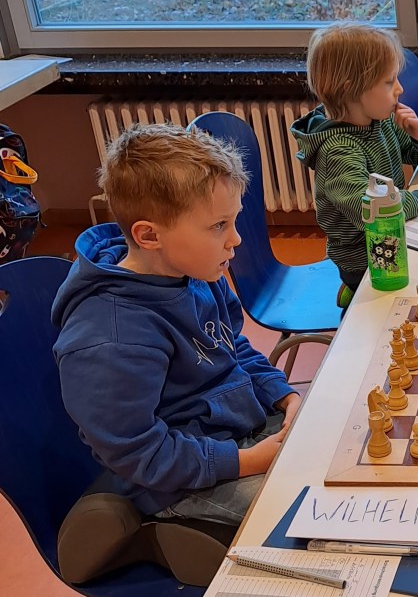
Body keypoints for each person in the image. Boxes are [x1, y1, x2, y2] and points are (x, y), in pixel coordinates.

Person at [53, 123, 299, 541]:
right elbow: (139, 453)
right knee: (308, 511)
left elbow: (232, 346)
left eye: (233, 221)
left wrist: (283, 394)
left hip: (240, 435)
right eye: (218, 226)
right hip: (181, 484)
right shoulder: (111, 337)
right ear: (149, 235)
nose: (236, 240)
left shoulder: (194, 270)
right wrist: (246, 461)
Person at [291, 22, 418, 303]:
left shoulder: (378, 122)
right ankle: (354, 292)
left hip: (392, 236)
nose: (400, 89)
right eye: (389, 82)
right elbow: (377, 216)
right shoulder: (338, 152)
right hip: (364, 261)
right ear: (352, 90)